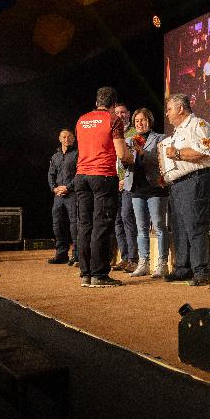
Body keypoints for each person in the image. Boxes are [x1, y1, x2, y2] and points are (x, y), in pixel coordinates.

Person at [74, 86, 133, 287]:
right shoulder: (113, 119)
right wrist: (133, 157)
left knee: (84, 225)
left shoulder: (81, 120)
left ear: (97, 101)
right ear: (113, 104)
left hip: (81, 176)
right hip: (103, 176)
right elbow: (122, 154)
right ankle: (99, 275)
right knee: (101, 225)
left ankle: (86, 274)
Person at [162, 94, 210, 285]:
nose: (167, 113)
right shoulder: (177, 131)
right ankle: (182, 268)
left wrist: (177, 153)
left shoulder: (198, 125)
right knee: (179, 227)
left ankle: (201, 271)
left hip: (195, 181)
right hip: (178, 184)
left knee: (195, 225)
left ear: (180, 109)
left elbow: (205, 152)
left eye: (169, 109)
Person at [121, 108, 169, 278]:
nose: (140, 123)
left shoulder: (160, 138)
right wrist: (124, 159)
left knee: (159, 226)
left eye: (143, 120)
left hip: (155, 188)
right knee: (141, 228)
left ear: (149, 120)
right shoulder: (129, 140)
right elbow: (122, 164)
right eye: (137, 121)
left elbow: (161, 160)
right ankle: (144, 263)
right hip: (136, 188)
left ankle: (162, 264)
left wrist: (142, 152)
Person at [111, 103, 139, 273]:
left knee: (128, 218)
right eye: (117, 113)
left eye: (123, 112)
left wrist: (124, 178)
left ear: (128, 114)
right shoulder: (112, 132)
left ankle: (133, 259)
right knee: (117, 221)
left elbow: (135, 157)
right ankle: (125, 257)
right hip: (113, 182)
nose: (120, 115)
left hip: (129, 182)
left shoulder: (135, 133)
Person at [47, 128, 78, 265]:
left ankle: (76, 255)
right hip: (58, 196)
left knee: (75, 226)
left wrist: (68, 188)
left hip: (73, 195)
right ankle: (61, 254)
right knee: (58, 225)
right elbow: (51, 175)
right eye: (64, 137)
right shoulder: (55, 157)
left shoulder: (78, 154)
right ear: (59, 139)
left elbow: (80, 174)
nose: (67, 139)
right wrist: (54, 189)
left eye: (69, 137)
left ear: (74, 139)